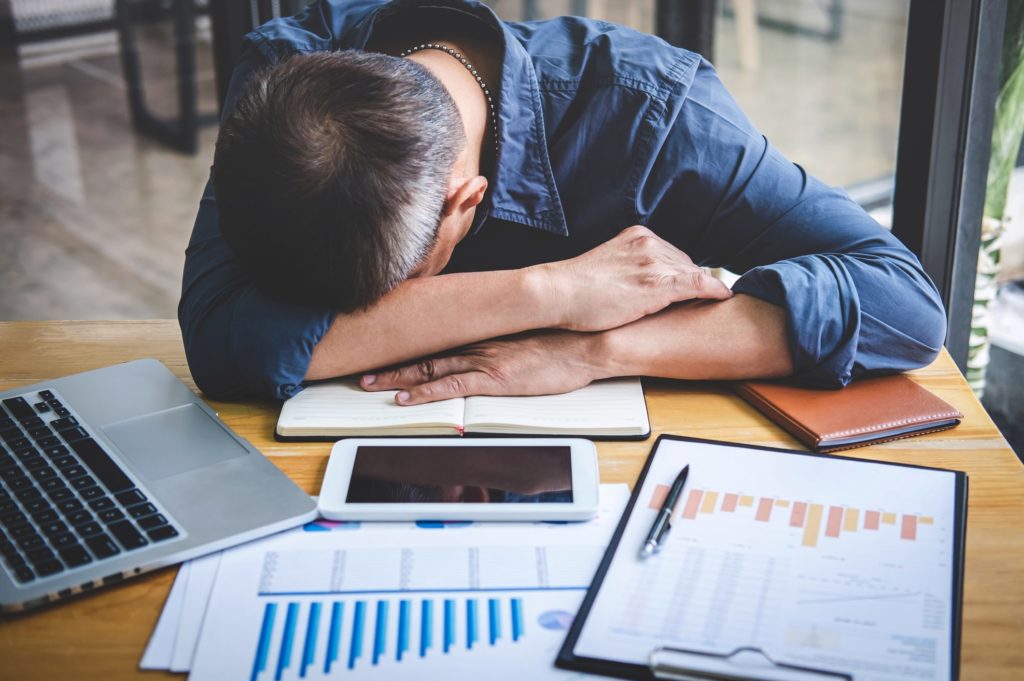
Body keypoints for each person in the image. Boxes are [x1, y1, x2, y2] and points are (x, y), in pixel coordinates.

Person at [180, 0, 946, 405]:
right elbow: (219, 338)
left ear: (464, 201)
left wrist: (593, 351)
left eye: (378, 298)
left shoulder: (656, 117)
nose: (370, 319)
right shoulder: (282, 87)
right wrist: (551, 291)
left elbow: (905, 308)